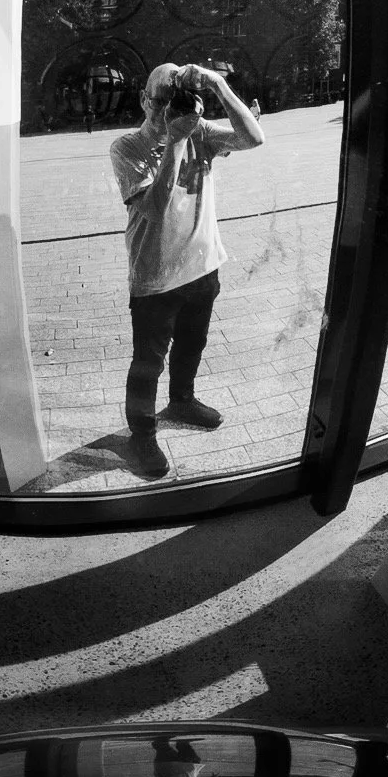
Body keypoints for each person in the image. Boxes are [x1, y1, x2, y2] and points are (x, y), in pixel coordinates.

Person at [109, 62, 265, 478]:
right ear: (144, 101)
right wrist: (176, 141)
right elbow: (154, 209)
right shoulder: (128, 147)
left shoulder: (199, 132)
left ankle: (181, 401)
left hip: (203, 265)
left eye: (176, 101)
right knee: (148, 362)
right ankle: (141, 435)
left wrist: (218, 84)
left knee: (193, 344)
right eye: (161, 101)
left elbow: (254, 138)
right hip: (156, 277)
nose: (168, 111)